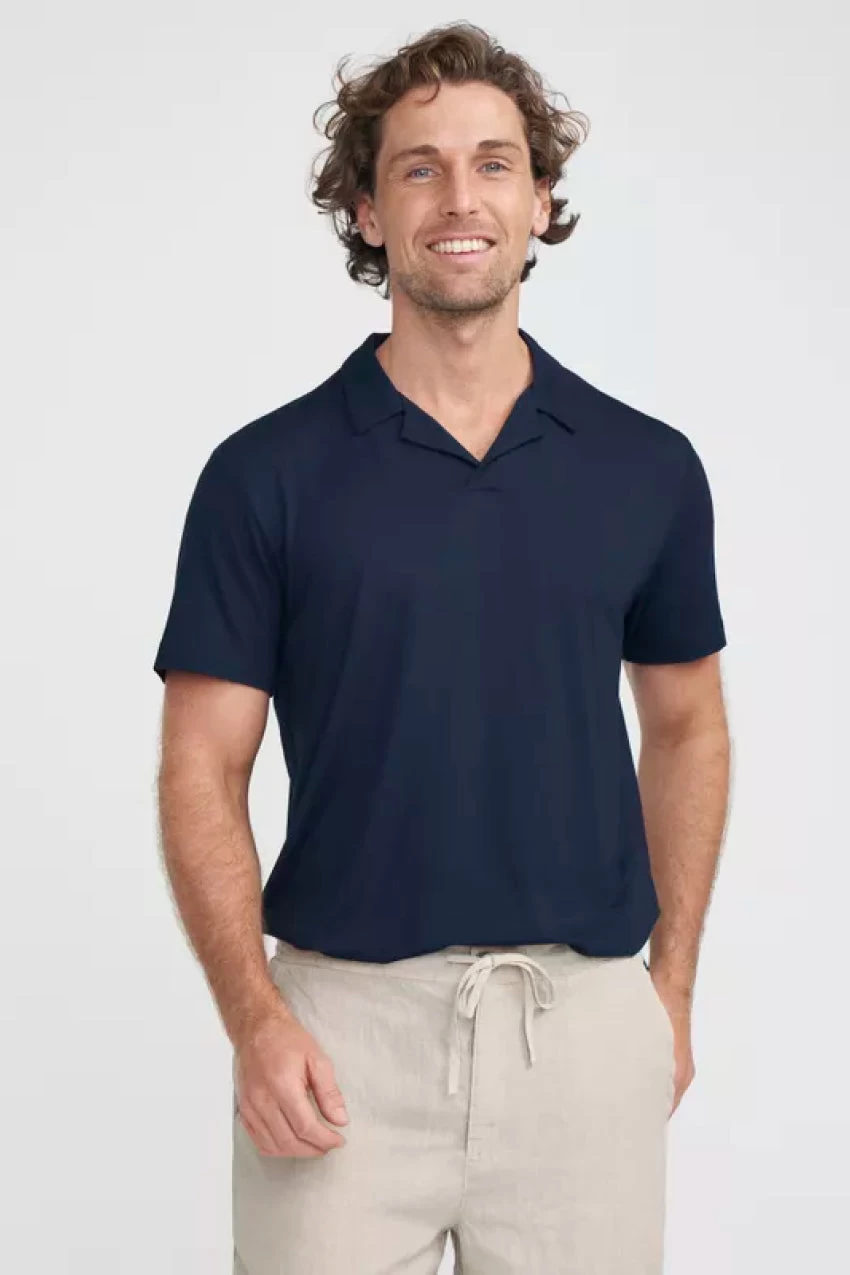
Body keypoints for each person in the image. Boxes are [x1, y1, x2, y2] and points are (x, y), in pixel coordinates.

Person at [153, 20, 731, 1275]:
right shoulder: (265, 476)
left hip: (582, 1031)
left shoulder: (644, 468)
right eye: (418, 168)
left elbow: (687, 725)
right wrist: (254, 1018)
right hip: (339, 1041)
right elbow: (201, 764)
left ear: (540, 201)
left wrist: (669, 991)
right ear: (367, 212)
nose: (459, 199)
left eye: (493, 164)